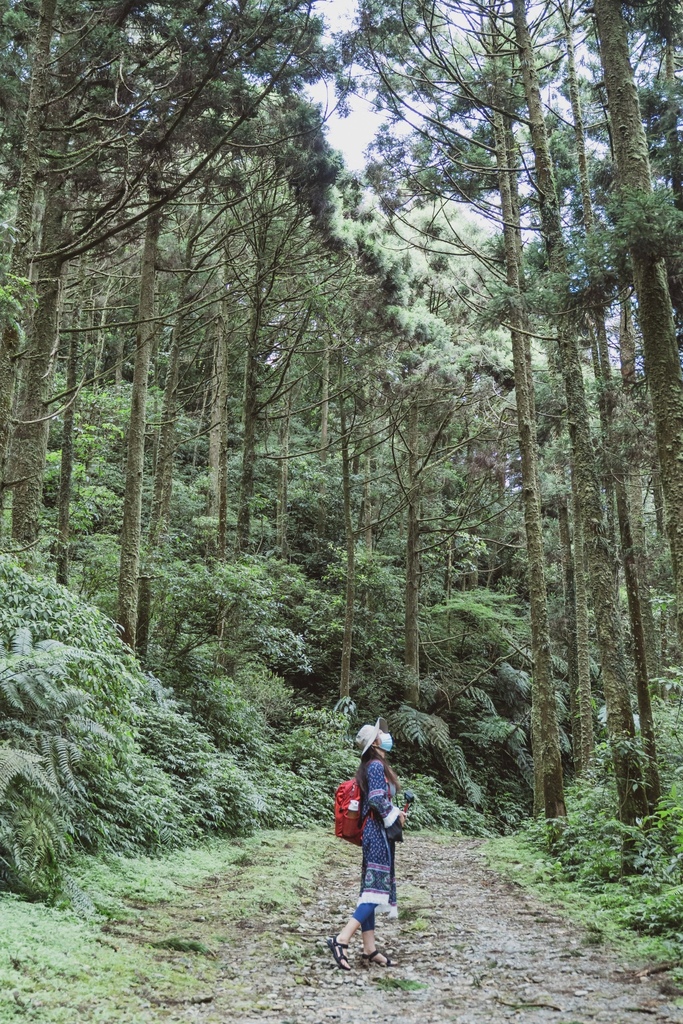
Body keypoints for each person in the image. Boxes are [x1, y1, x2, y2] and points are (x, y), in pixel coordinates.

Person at [327, 717, 405, 971]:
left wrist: (395, 813)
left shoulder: (373, 765)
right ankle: (341, 939)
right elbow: (376, 799)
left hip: (375, 831)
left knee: (370, 889)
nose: (385, 734)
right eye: (380, 733)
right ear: (374, 743)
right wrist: (394, 815)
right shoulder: (375, 765)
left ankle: (369, 949)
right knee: (375, 890)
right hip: (377, 833)